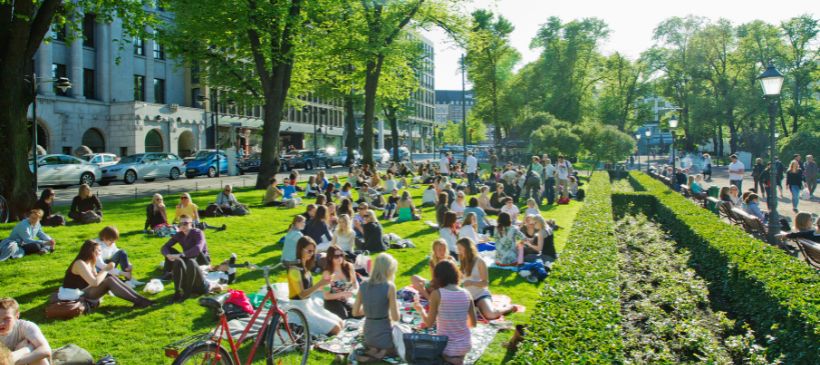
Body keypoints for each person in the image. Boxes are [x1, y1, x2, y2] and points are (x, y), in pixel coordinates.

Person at [414, 259, 476, 365]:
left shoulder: (437, 294)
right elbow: (473, 324)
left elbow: (429, 324)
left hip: (445, 346)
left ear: (437, 277)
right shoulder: (467, 293)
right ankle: (457, 358)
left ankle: (451, 359)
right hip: (466, 344)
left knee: (420, 347)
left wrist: (421, 310)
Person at [63, 240, 154, 308]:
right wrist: (106, 269)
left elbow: (96, 278)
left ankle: (142, 300)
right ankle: (140, 302)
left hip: (85, 290)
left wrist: (107, 271)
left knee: (111, 278)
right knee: (109, 280)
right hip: (76, 295)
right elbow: (95, 282)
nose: (100, 253)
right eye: (98, 251)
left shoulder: (90, 262)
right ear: (91, 252)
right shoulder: (80, 263)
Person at [287, 237, 343, 336]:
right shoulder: (294, 269)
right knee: (336, 329)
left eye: (313, 251)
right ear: (300, 249)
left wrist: (326, 285)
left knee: (340, 322)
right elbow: (301, 295)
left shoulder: (305, 267)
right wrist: (320, 283)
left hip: (309, 304)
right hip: (298, 308)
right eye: (309, 251)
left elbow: (313, 289)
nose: (311, 254)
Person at [160, 215, 223, 302]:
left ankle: (184, 288)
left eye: (185, 223)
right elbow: (165, 247)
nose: (183, 225)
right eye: (181, 223)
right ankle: (168, 274)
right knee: (170, 251)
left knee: (192, 254)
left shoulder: (198, 232)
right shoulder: (179, 234)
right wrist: (168, 255)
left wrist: (181, 255)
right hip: (187, 257)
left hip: (201, 259)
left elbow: (198, 249)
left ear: (191, 224)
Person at [352, 253, 400, 362]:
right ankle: (382, 352)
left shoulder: (363, 284)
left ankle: (372, 351)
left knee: (373, 344)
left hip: (368, 333)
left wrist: (371, 309)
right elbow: (395, 317)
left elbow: (355, 312)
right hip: (384, 332)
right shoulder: (389, 286)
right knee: (400, 340)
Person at [456, 238, 517, 321]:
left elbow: (485, 283)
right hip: (467, 297)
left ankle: (510, 308)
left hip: (480, 295)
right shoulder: (462, 261)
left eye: (460, 249)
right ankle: (476, 309)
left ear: (467, 248)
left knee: (490, 314)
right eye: (458, 249)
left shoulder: (479, 261)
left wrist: (472, 283)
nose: (458, 251)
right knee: (455, 313)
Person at [0, 298, 51, 365]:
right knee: (29, 346)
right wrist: (27, 349)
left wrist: (11, 362)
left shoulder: (25, 326)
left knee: (30, 347)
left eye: (6, 319)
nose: (1, 323)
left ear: (17, 316)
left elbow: (46, 350)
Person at [322, 245, 359, 319]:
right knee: (343, 316)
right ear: (330, 258)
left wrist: (355, 291)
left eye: (341, 255)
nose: (340, 258)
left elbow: (355, 282)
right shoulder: (327, 273)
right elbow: (326, 295)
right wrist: (342, 294)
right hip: (333, 301)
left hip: (347, 299)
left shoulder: (349, 267)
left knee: (359, 312)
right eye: (336, 256)